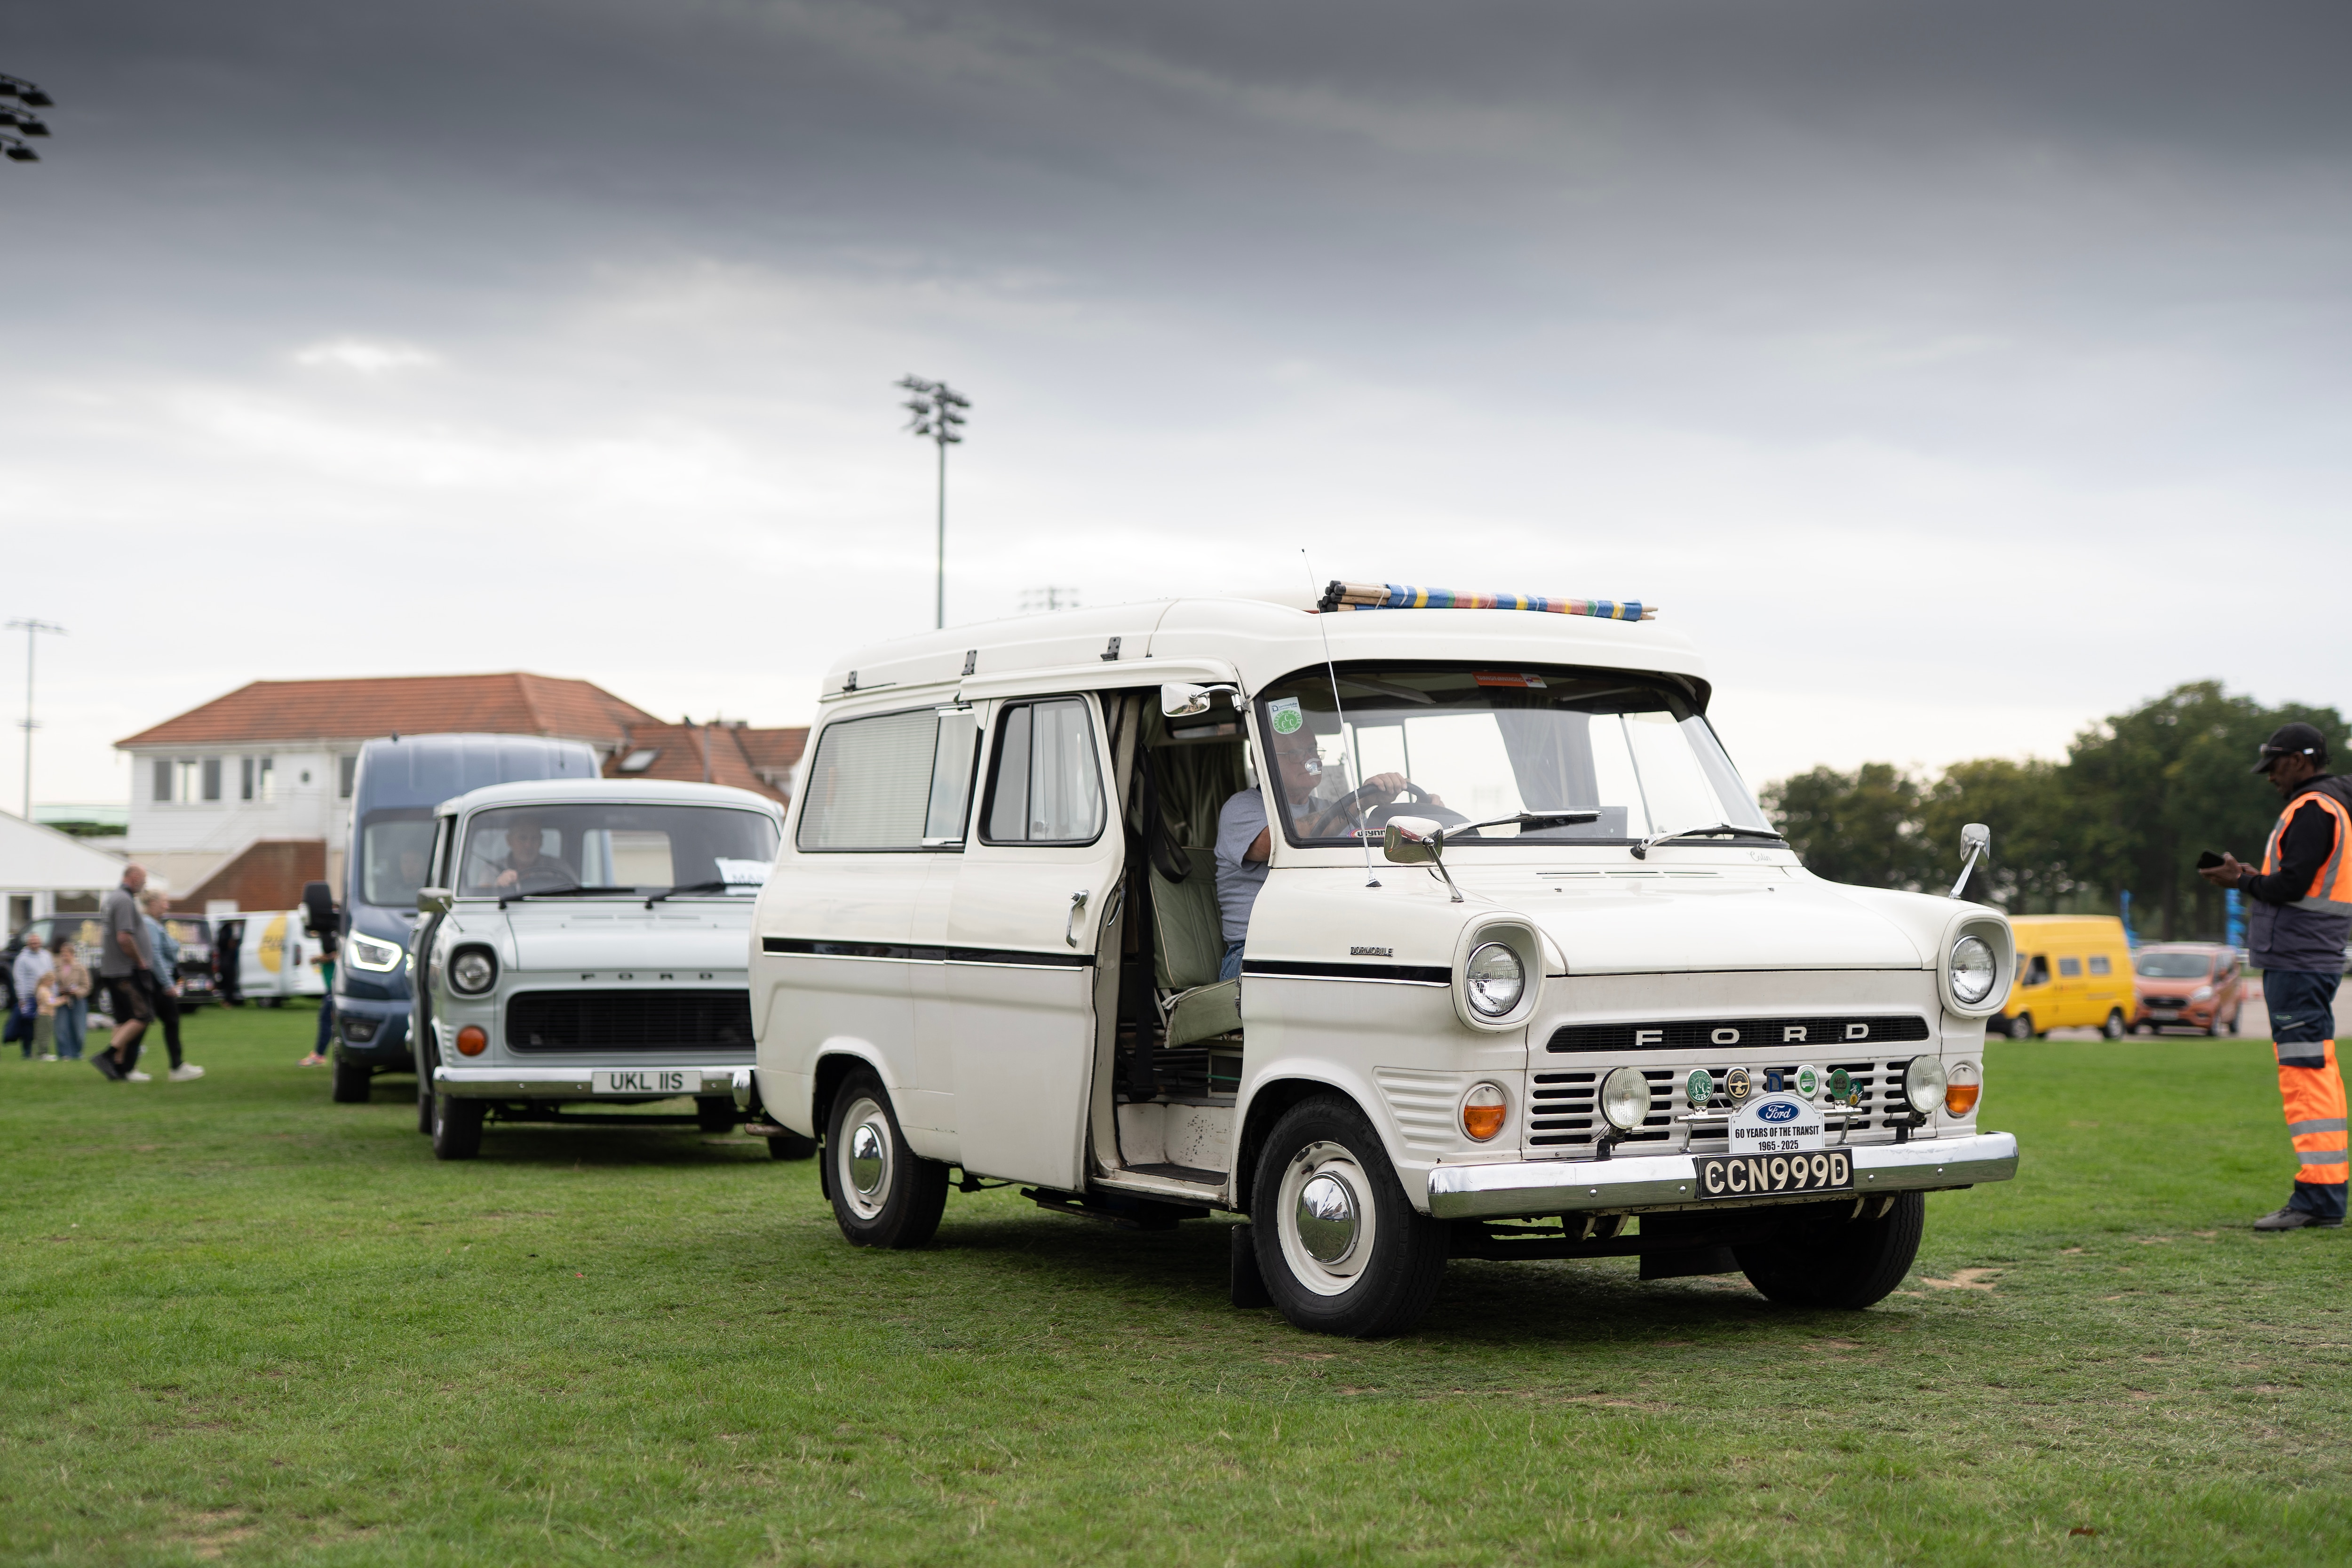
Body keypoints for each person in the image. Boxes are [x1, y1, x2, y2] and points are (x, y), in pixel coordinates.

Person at [2200, 722, 2352, 1230]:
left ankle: (2318, 1199)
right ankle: (2323, 1195)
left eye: (2273, 765)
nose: (2269, 777)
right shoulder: (2337, 804)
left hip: (2297, 958)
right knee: (2316, 1071)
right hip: (2314, 957)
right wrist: (2249, 877)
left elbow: (2289, 886)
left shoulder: (2312, 809)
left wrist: (2238, 880)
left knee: (2305, 1077)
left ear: (2300, 760)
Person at [1212, 727, 1418, 982]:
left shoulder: (1328, 809)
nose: (1311, 760)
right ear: (1262, 761)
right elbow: (1281, 842)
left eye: (1313, 750)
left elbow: (1374, 852)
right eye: (1297, 753)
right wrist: (1361, 801)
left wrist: (1425, 813)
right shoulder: (1241, 808)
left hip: (1328, 944)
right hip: (1255, 952)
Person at [92, 864, 157, 1082]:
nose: (145, 883)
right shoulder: (124, 900)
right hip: (125, 971)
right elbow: (124, 938)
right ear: (134, 877)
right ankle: (108, 1055)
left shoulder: (113, 898)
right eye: (144, 878)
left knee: (122, 1020)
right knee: (143, 1016)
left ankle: (117, 1069)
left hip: (113, 970)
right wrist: (141, 962)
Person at [140, 889, 205, 1081]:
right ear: (153, 903)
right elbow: (156, 956)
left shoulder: (155, 924)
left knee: (151, 1021)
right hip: (159, 981)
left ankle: (127, 1061)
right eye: (164, 902)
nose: (167, 905)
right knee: (167, 1021)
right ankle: (176, 1067)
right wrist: (168, 984)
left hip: (158, 980)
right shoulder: (150, 925)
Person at [478, 815, 576, 893]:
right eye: (523, 838)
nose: (528, 846)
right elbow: (481, 900)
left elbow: (578, 892)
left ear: (541, 841)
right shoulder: (492, 869)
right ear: (509, 840)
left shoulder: (559, 868)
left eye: (534, 838)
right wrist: (499, 887)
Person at [299, 925, 339, 1069]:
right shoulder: (328, 940)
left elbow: (338, 955)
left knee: (327, 1020)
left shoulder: (334, 939)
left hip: (336, 988)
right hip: (332, 988)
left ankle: (320, 1055)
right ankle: (321, 1055)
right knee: (328, 1020)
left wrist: (324, 958)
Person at [9, 929, 50, 1058]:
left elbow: (51, 975)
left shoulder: (46, 956)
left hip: (44, 997)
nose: (35, 944)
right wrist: (22, 998)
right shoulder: (22, 959)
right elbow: (19, 979)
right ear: (28, 944)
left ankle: (43, 1051)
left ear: (41, 942)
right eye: (32, 942)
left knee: (44, 1025)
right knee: (27, 1025)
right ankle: (27, 1052)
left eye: (37, 942)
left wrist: (52, 994)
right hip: (29, 998)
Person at [49, 939, 89, 1060]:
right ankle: (64, 1054)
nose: (64, 956)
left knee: (78, 1029)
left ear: (72, 954)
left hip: (78, 1001)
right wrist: (59, 990)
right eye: (62, 953)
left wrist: (75, 992)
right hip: (62, 1001)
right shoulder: (57, 968)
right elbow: (53, 983)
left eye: (66, 953)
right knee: (62, 1028)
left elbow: (86, 987)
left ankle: (77, 1053)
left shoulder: (81, 968)